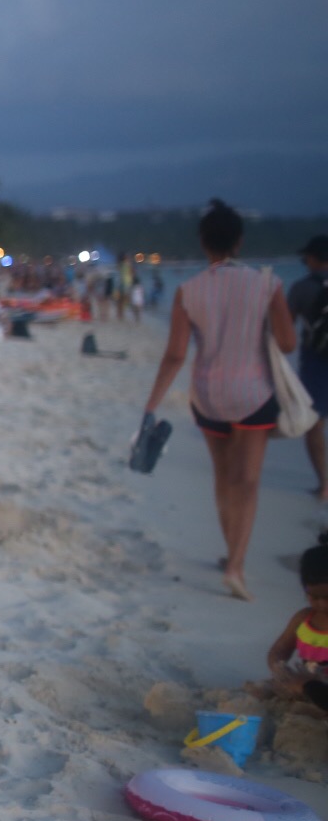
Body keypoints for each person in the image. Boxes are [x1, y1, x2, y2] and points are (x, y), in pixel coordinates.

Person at [143, 199, 298, 601]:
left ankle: (230, 550)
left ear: (203, 242)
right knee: (247, 481)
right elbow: (287, 342)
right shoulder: (269, 284)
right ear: (239, 242)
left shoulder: (188, 290)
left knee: (222, 477)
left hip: (208, 394)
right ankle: (235, 565)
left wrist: (152, 403)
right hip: (254, 393)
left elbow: (176, 353)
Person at [259, 543, 328, 713]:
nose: (322, 603)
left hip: (322, 692)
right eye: (314, 597)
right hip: (303, 685)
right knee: (262, 691)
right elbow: (281, 647)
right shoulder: (303, 618)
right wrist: (279, 668)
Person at [287, 235, 328, 500]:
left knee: (313, 425)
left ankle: (325, 485)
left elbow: (284, 329)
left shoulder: (301, 288)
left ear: (314, 259)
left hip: (315, 362)